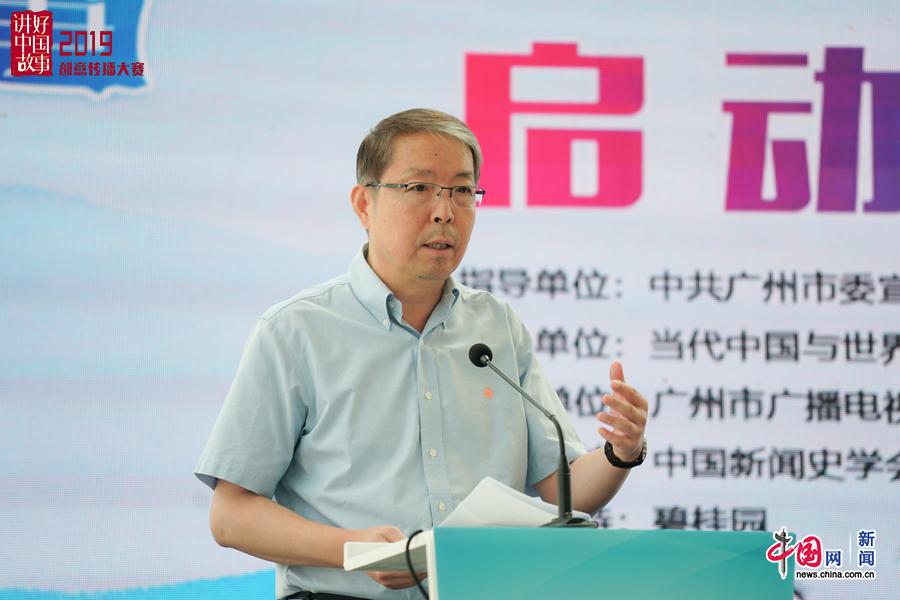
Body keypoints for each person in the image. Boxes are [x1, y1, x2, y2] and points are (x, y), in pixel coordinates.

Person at [194, 108, 648, 600]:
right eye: (419, 188)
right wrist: (352, 549)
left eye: (461, 191)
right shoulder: (295, 330)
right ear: (364, 203)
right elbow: (231, 514)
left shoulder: (496, 327)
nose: (444, 211)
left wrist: (620, 452)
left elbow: (565, 492)